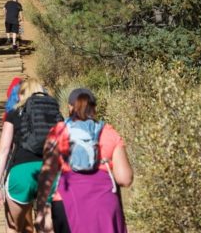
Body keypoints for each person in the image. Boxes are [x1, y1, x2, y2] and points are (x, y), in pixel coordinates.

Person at [34, 88, 134, 233]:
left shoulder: (59, 131)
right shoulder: (109, 131)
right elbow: (125, 179)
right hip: (104, 206)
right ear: (94, 108)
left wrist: (42, 211)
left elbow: (47, 174)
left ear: (70, 107)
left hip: (66, 204)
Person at [0, 78, 63, 233]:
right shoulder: (54, 114)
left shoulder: (14, 114)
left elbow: (4, 149)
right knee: (48, 226)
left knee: (15, 226)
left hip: (21, 172)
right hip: (51, 171)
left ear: (22, 94)